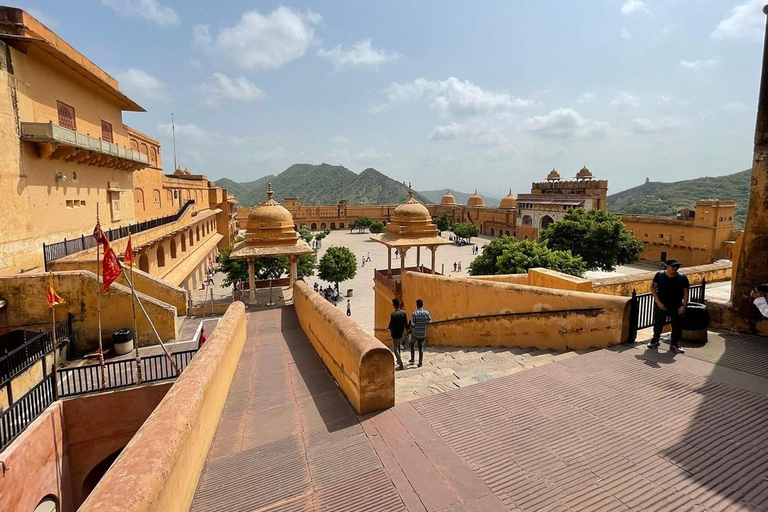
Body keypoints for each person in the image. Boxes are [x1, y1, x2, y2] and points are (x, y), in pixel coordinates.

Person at [648, 259, 690, 354]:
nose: (675, 269)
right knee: (658, 323)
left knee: (676, 325)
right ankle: (655, 341)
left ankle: (674, 344)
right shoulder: (659, 275)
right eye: (673, 267)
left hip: (676, 305)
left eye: (677, 267)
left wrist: (684, 305)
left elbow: (686, 292)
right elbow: (652, 287)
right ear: (667, 266)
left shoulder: (682, 277)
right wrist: (658, 301)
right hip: (661, 304)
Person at [409, 299, 432, 367]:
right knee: (420, 347)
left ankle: (413, 359)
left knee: (412, 344)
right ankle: (420, 362)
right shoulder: (426, 313)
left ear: (417, 305)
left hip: (416, 333)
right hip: (423, 333)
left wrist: (410, 330)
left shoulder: (415, 313)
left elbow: (412, 324)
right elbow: (429, 320)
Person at [387, 298, 408, 370]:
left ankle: (401, 364)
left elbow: (391, 325)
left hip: (395, 335)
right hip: (401, 334)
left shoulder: (393, 315)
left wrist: (389, 329)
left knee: (395, 350)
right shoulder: (404, 313)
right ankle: (399, 360)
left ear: (394, 305)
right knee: (399, 348)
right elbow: (406, 324)